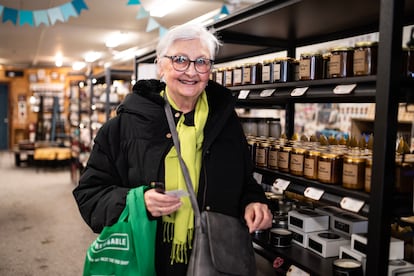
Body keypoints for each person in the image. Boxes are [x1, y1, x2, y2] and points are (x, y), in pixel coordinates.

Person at [73, 23, 272, 276]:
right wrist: (138, 202)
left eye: (201, 61)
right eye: (180, 60)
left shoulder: (227, 124)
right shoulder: (122, 127)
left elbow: (244, 181)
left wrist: (254, 201)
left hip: (215, 258)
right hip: (149, 258)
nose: (191, 71)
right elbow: (89, 195)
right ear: (160, 65)